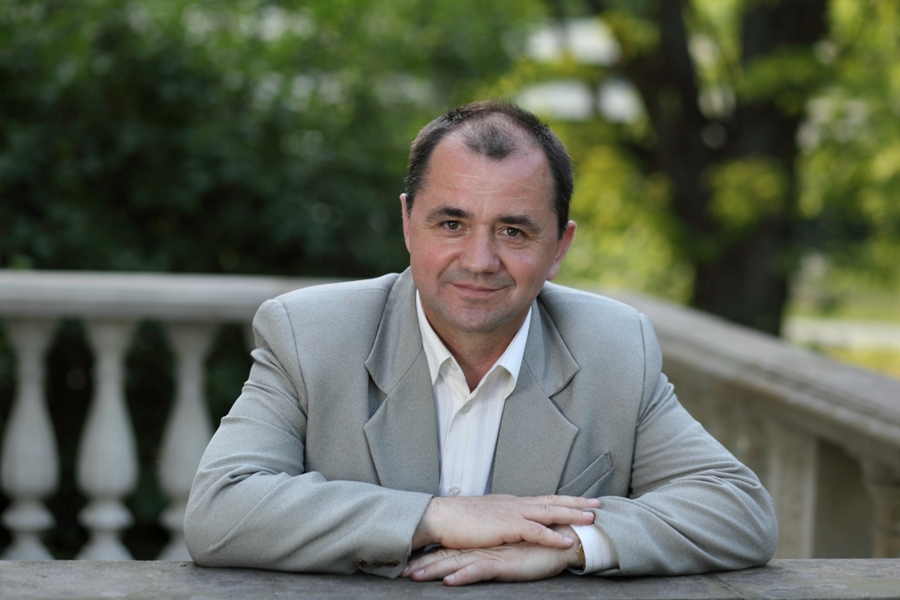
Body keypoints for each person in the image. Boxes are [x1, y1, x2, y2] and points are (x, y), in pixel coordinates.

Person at [184, 100, 778, 586]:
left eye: (513, 231)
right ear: (407, 223)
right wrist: (434, 517)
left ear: (560, 247)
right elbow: (220, 510)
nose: (479, 261)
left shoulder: (615, 347)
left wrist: (568, 542)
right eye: (452, 224)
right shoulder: (308, 334)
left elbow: (738, 510)